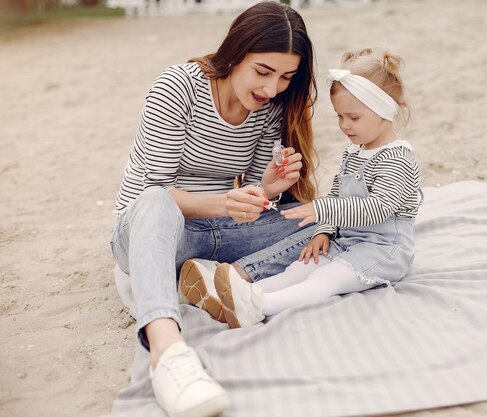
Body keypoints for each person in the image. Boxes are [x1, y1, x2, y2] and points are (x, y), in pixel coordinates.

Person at [109, 2, 318, 417]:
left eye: (285, 77)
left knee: (319, 219)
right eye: (263, 71)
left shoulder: (269, 108)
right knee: (154, 201)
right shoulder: (178, 87)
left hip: (217, 232)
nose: (273, 88)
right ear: (235, 51)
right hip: (149, 231)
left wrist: (268, 189)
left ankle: (221, 279)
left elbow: (251, 199)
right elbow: (157, 190)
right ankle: (167, 352)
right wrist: (225, 202)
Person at [184, 48, 423, 329]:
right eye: (339, 116)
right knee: (302, 266)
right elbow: (337, 193)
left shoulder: (397, 157)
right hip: (349, 241)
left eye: (353, 117)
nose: (344, 125)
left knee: (326, 279)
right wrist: (323, 229)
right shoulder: (355, 151)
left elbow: (379, 207)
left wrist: (322, 209)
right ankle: (238, 295)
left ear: (384, 111)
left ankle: (259, 306)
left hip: (383, 250)